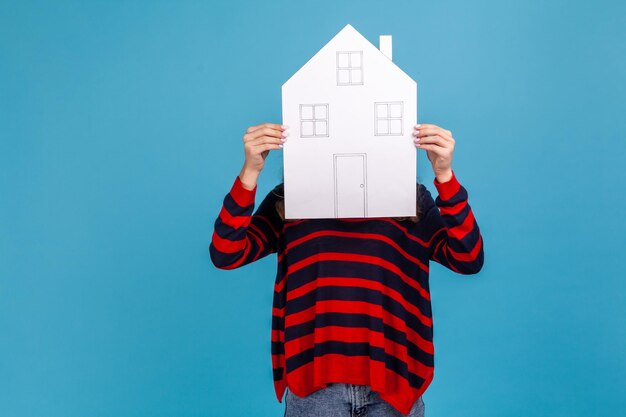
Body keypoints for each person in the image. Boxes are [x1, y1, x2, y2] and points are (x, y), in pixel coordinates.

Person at [209, 122, 484, 417]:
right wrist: (250, 172)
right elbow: (227, 253)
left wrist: (444, 175)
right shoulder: (289, 201)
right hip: (315, 386)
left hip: (393, 380)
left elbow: (468, 258)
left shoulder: (411, 199)